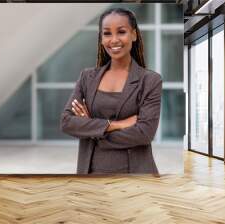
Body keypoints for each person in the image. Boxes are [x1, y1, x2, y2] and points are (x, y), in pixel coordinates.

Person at [60, 8, 162, 174]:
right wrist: (116, 125)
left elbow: (144, 133)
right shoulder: (87, 77)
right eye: (107, 33)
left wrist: (92, 131)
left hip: (134, 175)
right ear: (101, 38)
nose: (114, 40)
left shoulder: (150, 80)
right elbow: (67, 122)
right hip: (90, 173)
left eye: (121, 32)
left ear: (134, 35)